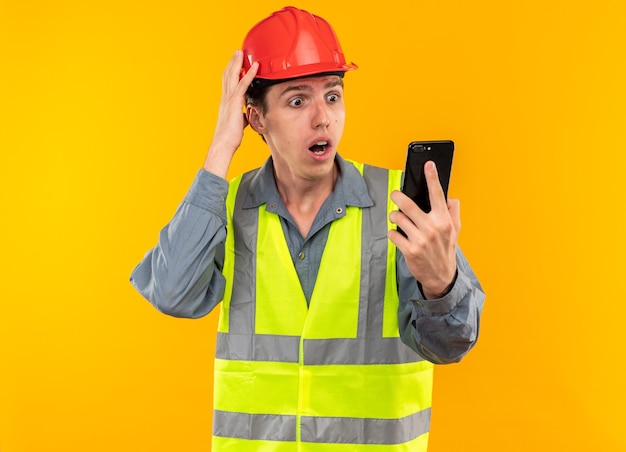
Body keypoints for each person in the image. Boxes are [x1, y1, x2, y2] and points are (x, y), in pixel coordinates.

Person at [130, 6, 485, 451]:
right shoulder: (229, 205)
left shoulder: (400, 203)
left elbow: (452, 344)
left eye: (332, 95)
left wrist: (441, 284)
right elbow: (171, 291)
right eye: (298, 100)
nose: (323, 117)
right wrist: (222, 144)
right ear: (257, 118)